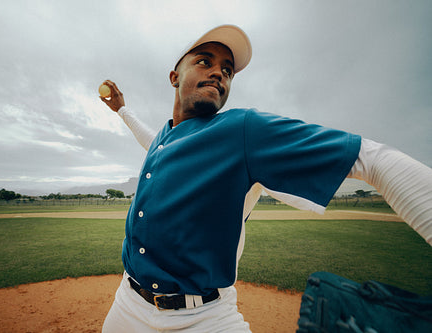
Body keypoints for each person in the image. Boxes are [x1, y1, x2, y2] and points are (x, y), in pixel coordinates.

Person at [99, 25, 432, 332]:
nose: (219, 72)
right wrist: (122, 111)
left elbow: (373, 159)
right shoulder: (164, 138)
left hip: (203, 318)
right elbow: (149, 140)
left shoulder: (241, 131)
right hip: (126, 306)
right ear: (174, 76)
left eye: (227, 70)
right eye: (204, 61)